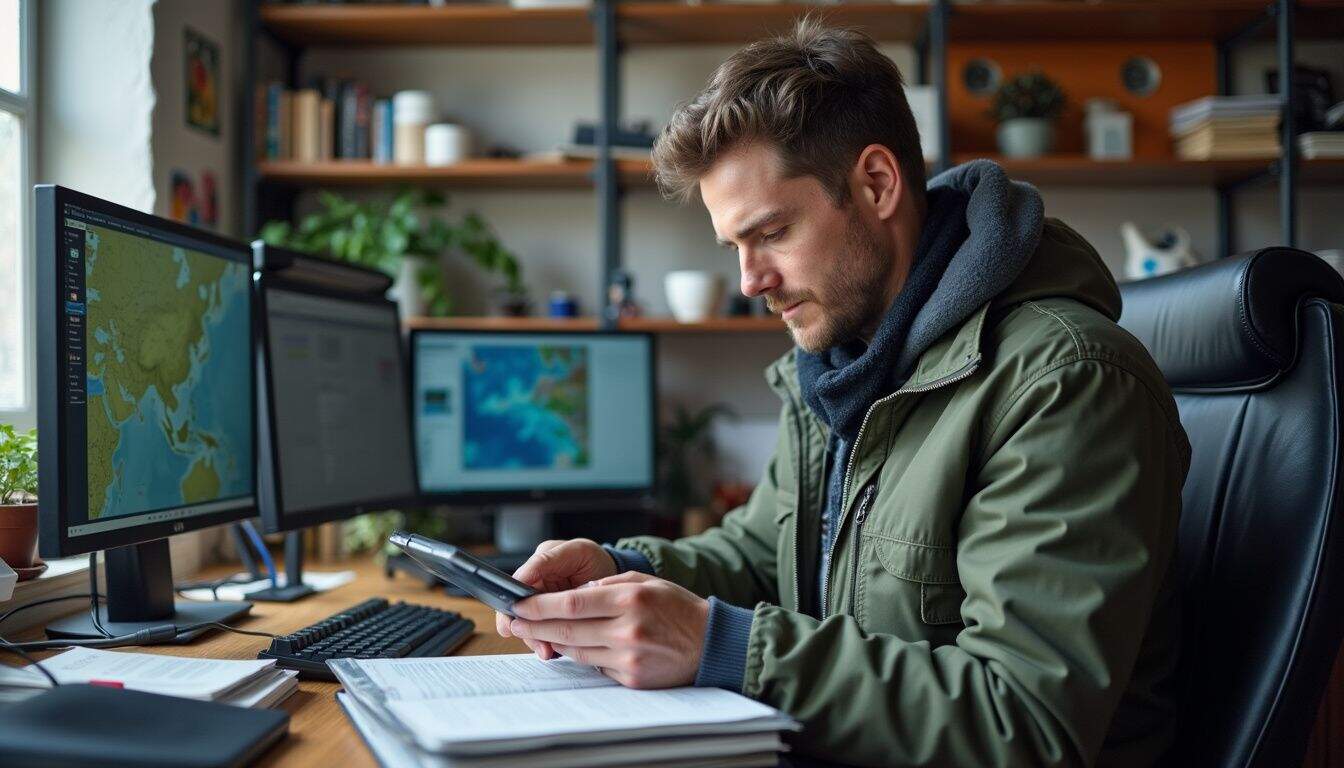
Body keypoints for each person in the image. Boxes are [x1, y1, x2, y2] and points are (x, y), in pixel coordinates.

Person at [497, 18, 1189, 767]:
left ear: (877, 184)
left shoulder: (1065, 382)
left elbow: (1023, 720)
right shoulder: (842, 367)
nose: (749, 281)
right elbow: (762, 552)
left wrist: (726, 648)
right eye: (734, 248)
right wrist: (622, 569)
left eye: (772, 232)